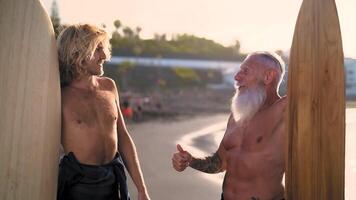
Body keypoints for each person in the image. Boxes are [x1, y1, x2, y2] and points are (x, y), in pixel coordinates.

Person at [172, 51, 287, 200]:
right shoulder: (236, 117)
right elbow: (219, 163)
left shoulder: (284, 112)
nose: (236, 77)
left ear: (268, 76)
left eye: (245, 71)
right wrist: (190, 160)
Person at [57, 24, 150, 200]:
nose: (105, 56)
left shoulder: (109, 86)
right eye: (98, 49)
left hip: (114, 182)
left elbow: (123, 137)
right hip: (79, 188)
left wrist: (141, 189)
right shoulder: (60, 95)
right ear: (78, 52)